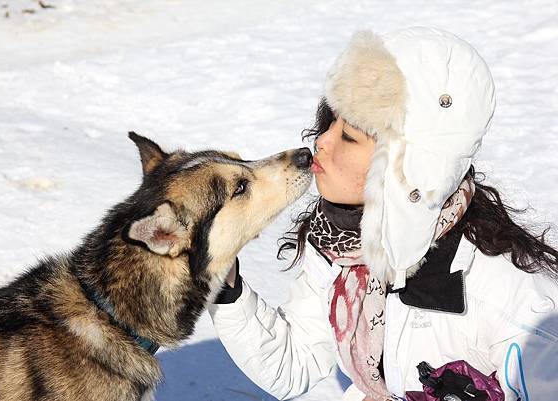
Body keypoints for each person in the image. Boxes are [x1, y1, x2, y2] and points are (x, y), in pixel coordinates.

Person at [209, 27, 558, 401]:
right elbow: (297, 364)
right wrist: (227, 291)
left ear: (406, 168)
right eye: (330, 123)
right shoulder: (340, 248)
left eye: (349, 137)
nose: (320, 142)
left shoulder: (516, 307)